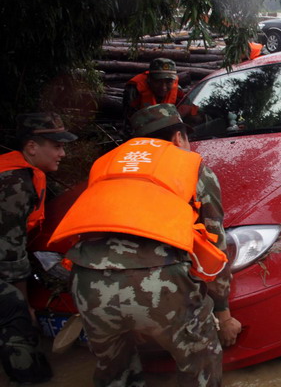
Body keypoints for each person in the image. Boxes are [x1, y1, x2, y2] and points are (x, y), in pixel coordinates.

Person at [49, 104, 241, 386]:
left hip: (87, 281)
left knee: (115, 373)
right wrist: (222, 312)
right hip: (160, 281)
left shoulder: (106, 164)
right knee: (199, 360)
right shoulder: (191, 167)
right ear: (178, 139)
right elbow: (215, 242)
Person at [0, 112, 77, 384]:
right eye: (57, 146)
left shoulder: (24, 174)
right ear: (31, 147)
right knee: (16, 322)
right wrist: (26, 304)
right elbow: (8, 255)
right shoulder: (15, 184)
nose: (63, 153)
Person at [123, 58, 199, 134]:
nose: (163, 87)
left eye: (168, 82)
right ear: (149, 79)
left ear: (174, 80)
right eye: (158, 81)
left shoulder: (177, 90)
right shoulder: (134, 90)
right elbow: (129, 123)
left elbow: (194, 113)